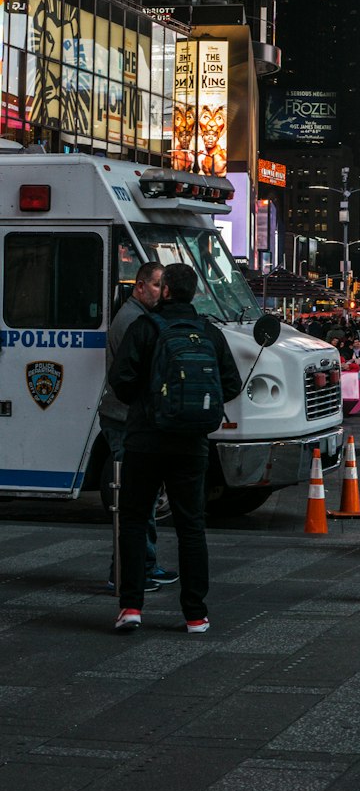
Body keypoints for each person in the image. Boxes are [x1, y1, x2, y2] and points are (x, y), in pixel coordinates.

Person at [109, 262, 243, 634]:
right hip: (192, 445)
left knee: (135, 520)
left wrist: (148, 401)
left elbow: (120, 379)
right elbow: (230, 384)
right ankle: (195, 614)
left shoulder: (145, 328)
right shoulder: (209, 333)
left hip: (145, 440)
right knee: (191, 526)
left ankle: (131, 607)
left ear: (165, 290)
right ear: (194, 292)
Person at [100, 262, 176, 594]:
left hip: (127, 417)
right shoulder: (133, 320)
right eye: (157, 285)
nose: (162, 292)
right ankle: (129, 570)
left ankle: (142, 565)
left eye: (165, 286)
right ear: (140, 286)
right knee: (135, 499)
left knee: (139, 498)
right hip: (124, 420)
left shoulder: (136, 316)